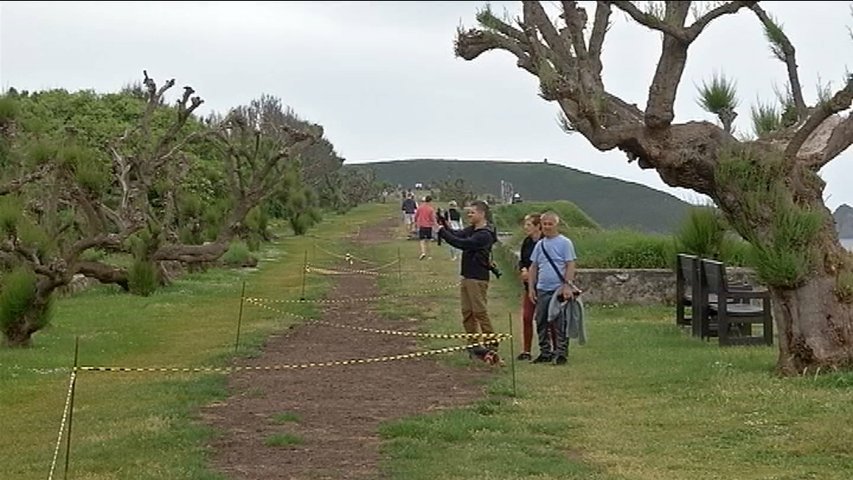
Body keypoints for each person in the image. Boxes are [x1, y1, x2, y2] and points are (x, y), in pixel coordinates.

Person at [436, 200, 499, 356]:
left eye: (472, 212)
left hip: (477, 278)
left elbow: (463, 243)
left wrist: (442, 232)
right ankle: (473, 343)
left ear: (482, 214)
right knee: (467, 312)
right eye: (468, 212)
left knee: (480, 311)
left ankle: (491, 342)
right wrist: (444, 225)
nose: (469, 214)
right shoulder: (472, 229)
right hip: (467, 276)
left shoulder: (484, 235)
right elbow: (457, 235)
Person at [527, 211, 577, 365]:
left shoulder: (565, 243)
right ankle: (545, 351)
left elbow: (570, 264)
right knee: (541, 320)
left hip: (558, 289)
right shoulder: (540, 245)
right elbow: (533, 266)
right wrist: (531, 287)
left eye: (550, 224)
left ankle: (561, 352)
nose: (547, 227)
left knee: (560, 322)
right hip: (543, 288)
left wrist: (567, 285)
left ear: (556, 225)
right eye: (545, 224)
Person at [516, 213, 555, 361]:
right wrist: (524, 269)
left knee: (547, 319)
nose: (525, 227)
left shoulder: (546, 242)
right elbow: (523, 260)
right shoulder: (527, 242)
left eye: (528, 225)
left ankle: (550, 348)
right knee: (527, 317)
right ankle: (526, 350)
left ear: (537, 226)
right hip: (529, 286)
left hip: (544, 286)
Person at [413, 195, 437, 260]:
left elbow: (416, 216)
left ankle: (423, 252)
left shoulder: (420, 208)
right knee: (428, 241)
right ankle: (429, 255)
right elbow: (433, 218)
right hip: (429, 226)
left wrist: (415, 223)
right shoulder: (431, 209)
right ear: (430, 201)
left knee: (422, 240)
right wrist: (435, 225)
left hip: (422, 226)